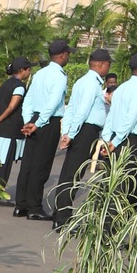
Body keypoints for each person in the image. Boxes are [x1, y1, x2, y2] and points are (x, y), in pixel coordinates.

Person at [51, 46, 112, 228]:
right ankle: (63, 219)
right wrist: (71, 134)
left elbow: (71, 109)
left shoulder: (82, 81)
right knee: (73, 176)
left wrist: (66, 132)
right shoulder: (92, 84)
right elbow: (82, 111)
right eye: (108, 64)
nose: (108, 68)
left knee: (69, 174)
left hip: (79, 130)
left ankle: (59, 215)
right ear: (100, 65)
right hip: (86, 131)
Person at [14, 39, 71, 219]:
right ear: (62, 55)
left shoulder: (40, 73)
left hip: (33, 118)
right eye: (68, 54)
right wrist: (39, 123)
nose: (68, 57)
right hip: (47, 122)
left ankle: (21, 205)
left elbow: (28, 100)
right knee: (41, 165)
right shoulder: (60, 76)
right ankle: (34, 208)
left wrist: (28, 121)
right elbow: (52, 104)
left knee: (28, 164)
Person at [100, 53, 137, 159]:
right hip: (128, 141)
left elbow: (111, 117)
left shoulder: (121, 88)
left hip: (115, 138)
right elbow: (131, 118)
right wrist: (115, 142)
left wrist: (107, 139)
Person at [0, 60, 32, 196]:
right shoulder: (20, 87)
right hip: (9, 130)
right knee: (3, 163)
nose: (29, 72)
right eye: (28, 69)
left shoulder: (5, 84)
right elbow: (12, 107)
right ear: (22, 70)